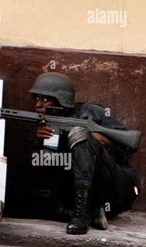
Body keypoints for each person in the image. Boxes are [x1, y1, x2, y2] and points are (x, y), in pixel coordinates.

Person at [28, 72, 140, 235]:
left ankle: (81, 215)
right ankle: (89, 212)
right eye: (36, 98)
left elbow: (126, 149)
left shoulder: (91, 111)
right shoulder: (46, 124)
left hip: (115, 186)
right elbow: (47, 166)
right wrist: (38, 140)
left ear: (61, 100)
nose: (38, 104)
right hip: (80, 194)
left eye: (45, 99)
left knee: (81, 136)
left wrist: (95, 139)